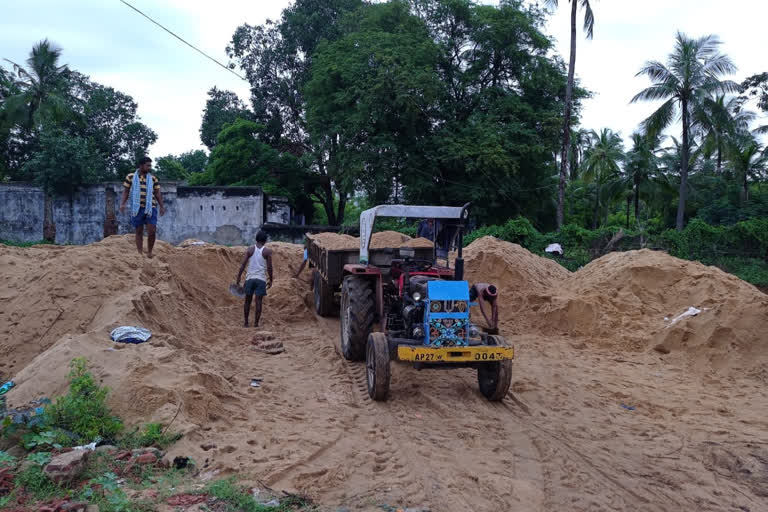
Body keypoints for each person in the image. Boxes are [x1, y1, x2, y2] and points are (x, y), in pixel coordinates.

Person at [119, 156, 165, 258]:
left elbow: (157, 193)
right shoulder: (130, 177)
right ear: (141, 165)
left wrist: (162, 206)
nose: (149, 167)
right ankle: (139, 253)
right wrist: (122, 204)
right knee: (139, 231)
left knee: (152, 231)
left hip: (150, 207)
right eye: (147, 165)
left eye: (150, 165)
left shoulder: (153, 178)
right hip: (137, 208)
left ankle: (149, 252)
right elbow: (126, 191)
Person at [236, 231, 274, 328]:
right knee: (258, 302)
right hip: (260, 279)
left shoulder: (250, 250)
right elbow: (270, 267)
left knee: (247, 301)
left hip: (250, 279)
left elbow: (243, 265)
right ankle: (256, 323)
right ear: (265, 240)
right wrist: (271, 279)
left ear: (256, 239)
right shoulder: (267, 251)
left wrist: (239, 277)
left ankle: (246, 323)